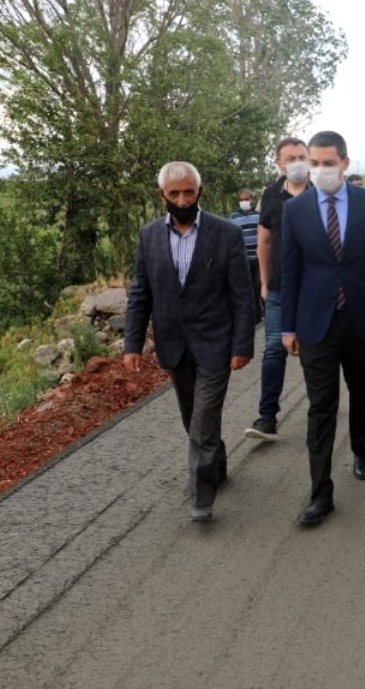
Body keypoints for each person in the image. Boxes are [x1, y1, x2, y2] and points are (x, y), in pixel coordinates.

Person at [123, 161, 256, 522]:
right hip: (173, 344)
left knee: (204, 419)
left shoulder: (226, 233)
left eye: (188, 192)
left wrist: (242, 345)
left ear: (200, 192)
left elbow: (242, 295)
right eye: (174, 193)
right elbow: (141, 293)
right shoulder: (149, 236)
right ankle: (217, 466)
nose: (182, 200)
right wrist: (132, 344)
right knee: (192, 416)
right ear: (162, 195)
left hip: (216, 342)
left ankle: (201, 496)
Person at [280, 131, 365, 526]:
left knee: (363, 391)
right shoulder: (295, 210)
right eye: (313, 163)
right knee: (321, 406)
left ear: (345, 164)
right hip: (315, 322)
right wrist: (287, 326)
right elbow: (290, 272)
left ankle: (361, 449)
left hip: (361, 316)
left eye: (328, 163)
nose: (319, 170)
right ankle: (320, 492)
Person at [245, 137, 309, 441]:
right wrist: (264, 282)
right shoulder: (271, 195)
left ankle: (322, 405)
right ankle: (266, 417)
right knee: (273, 348)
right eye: (290, 158)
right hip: (280, 287)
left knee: (316, 349)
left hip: (315, 288)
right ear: (278, 163)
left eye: (302, 157)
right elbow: (264, 241)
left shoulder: (320, 191)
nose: (297, 163)